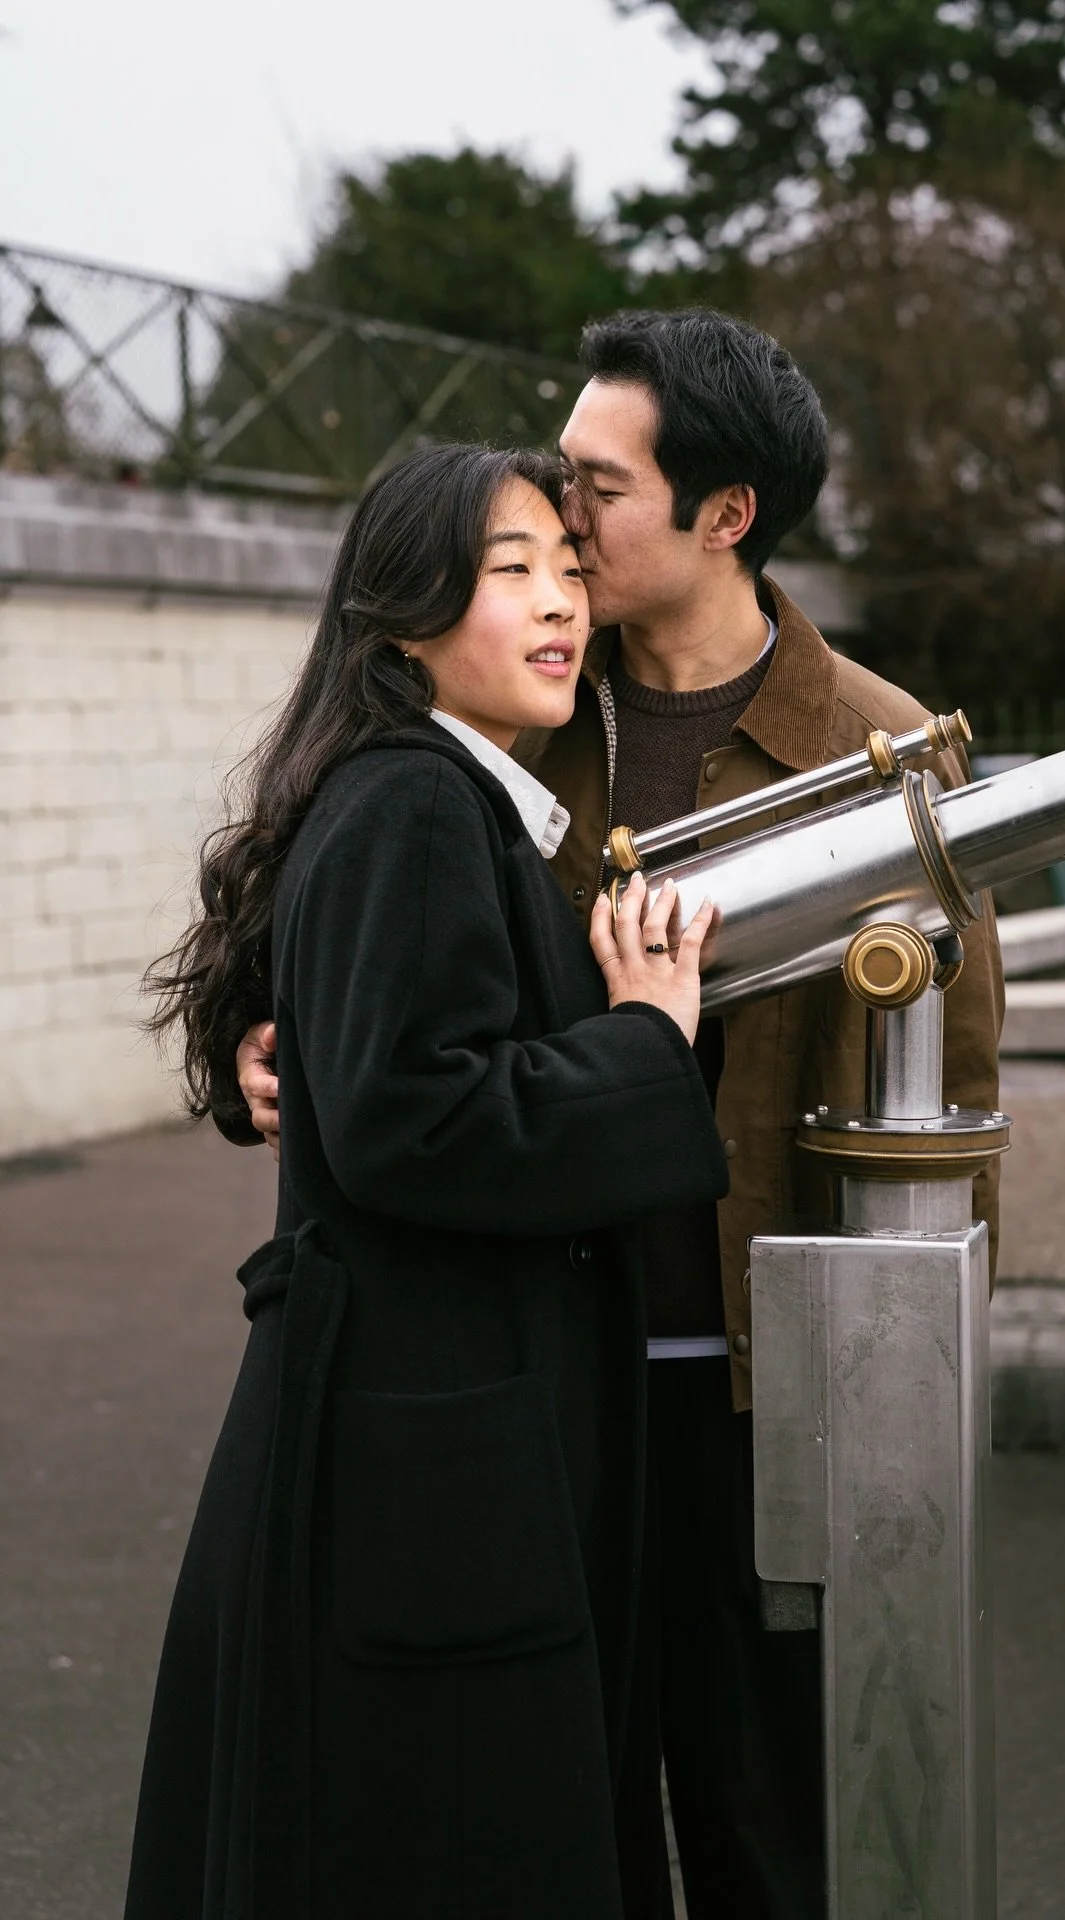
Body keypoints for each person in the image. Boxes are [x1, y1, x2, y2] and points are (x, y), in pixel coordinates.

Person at [238, 311, 1006, 1918]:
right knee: (549, 1831)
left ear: (724, 514)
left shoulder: (883, 752)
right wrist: (273, 1050)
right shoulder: (508, 716)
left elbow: (964, 1107)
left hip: (758, 1398)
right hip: (536, 1389)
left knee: (770, 1835)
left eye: (596, 488)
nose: (558, 523)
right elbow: (350, 969)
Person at [128, 442, 729, 1920]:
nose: (559, 603)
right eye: (509, 568)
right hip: (423, 1466)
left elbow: (367, 1065)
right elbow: (418, 1116)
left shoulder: (441, 797)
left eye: (568, 568)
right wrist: (648, 1038)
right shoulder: (415, 801)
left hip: (427, 1443)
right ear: (402, 615)